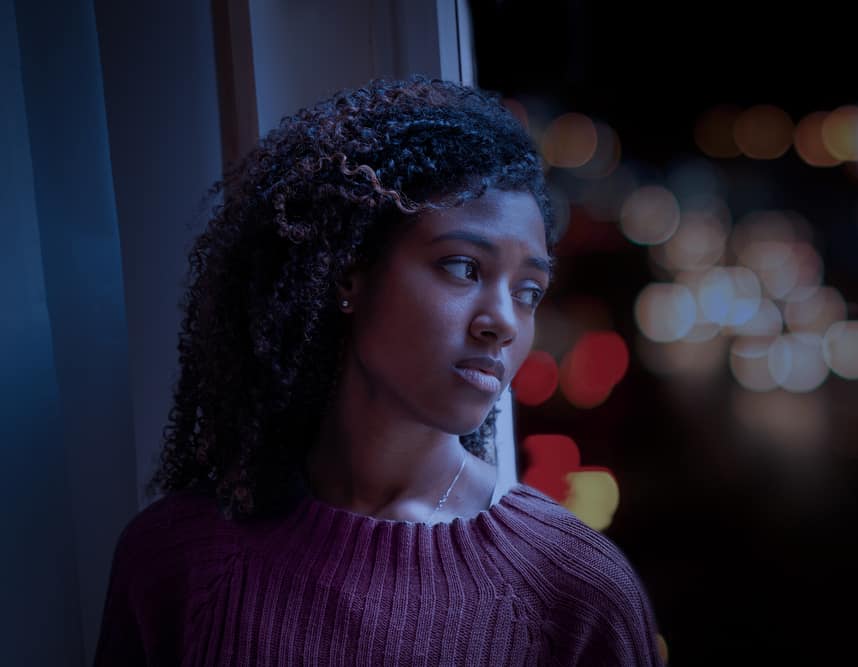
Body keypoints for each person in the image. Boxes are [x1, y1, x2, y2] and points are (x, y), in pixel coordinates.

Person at [93, 75, 665, 666]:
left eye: (528, 291)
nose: (503, 322)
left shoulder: (577, 593)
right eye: (464, 268)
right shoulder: (178, 561)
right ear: (348, 274)